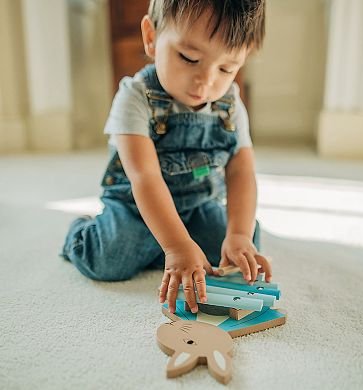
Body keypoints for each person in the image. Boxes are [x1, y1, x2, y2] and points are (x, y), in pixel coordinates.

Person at [62, 0, 272, 314]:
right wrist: (176, 246)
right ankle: (83, 233)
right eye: (189, 58)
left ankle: (172, 249)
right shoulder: (136, 97)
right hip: (137, 207)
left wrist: (238, 234)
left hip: (197, 203)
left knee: (241, 245)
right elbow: (144, 177)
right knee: (111, 259)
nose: (206, 80)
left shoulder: (229, 105)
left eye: (227, 68)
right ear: (151, 36)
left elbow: (242, 169)